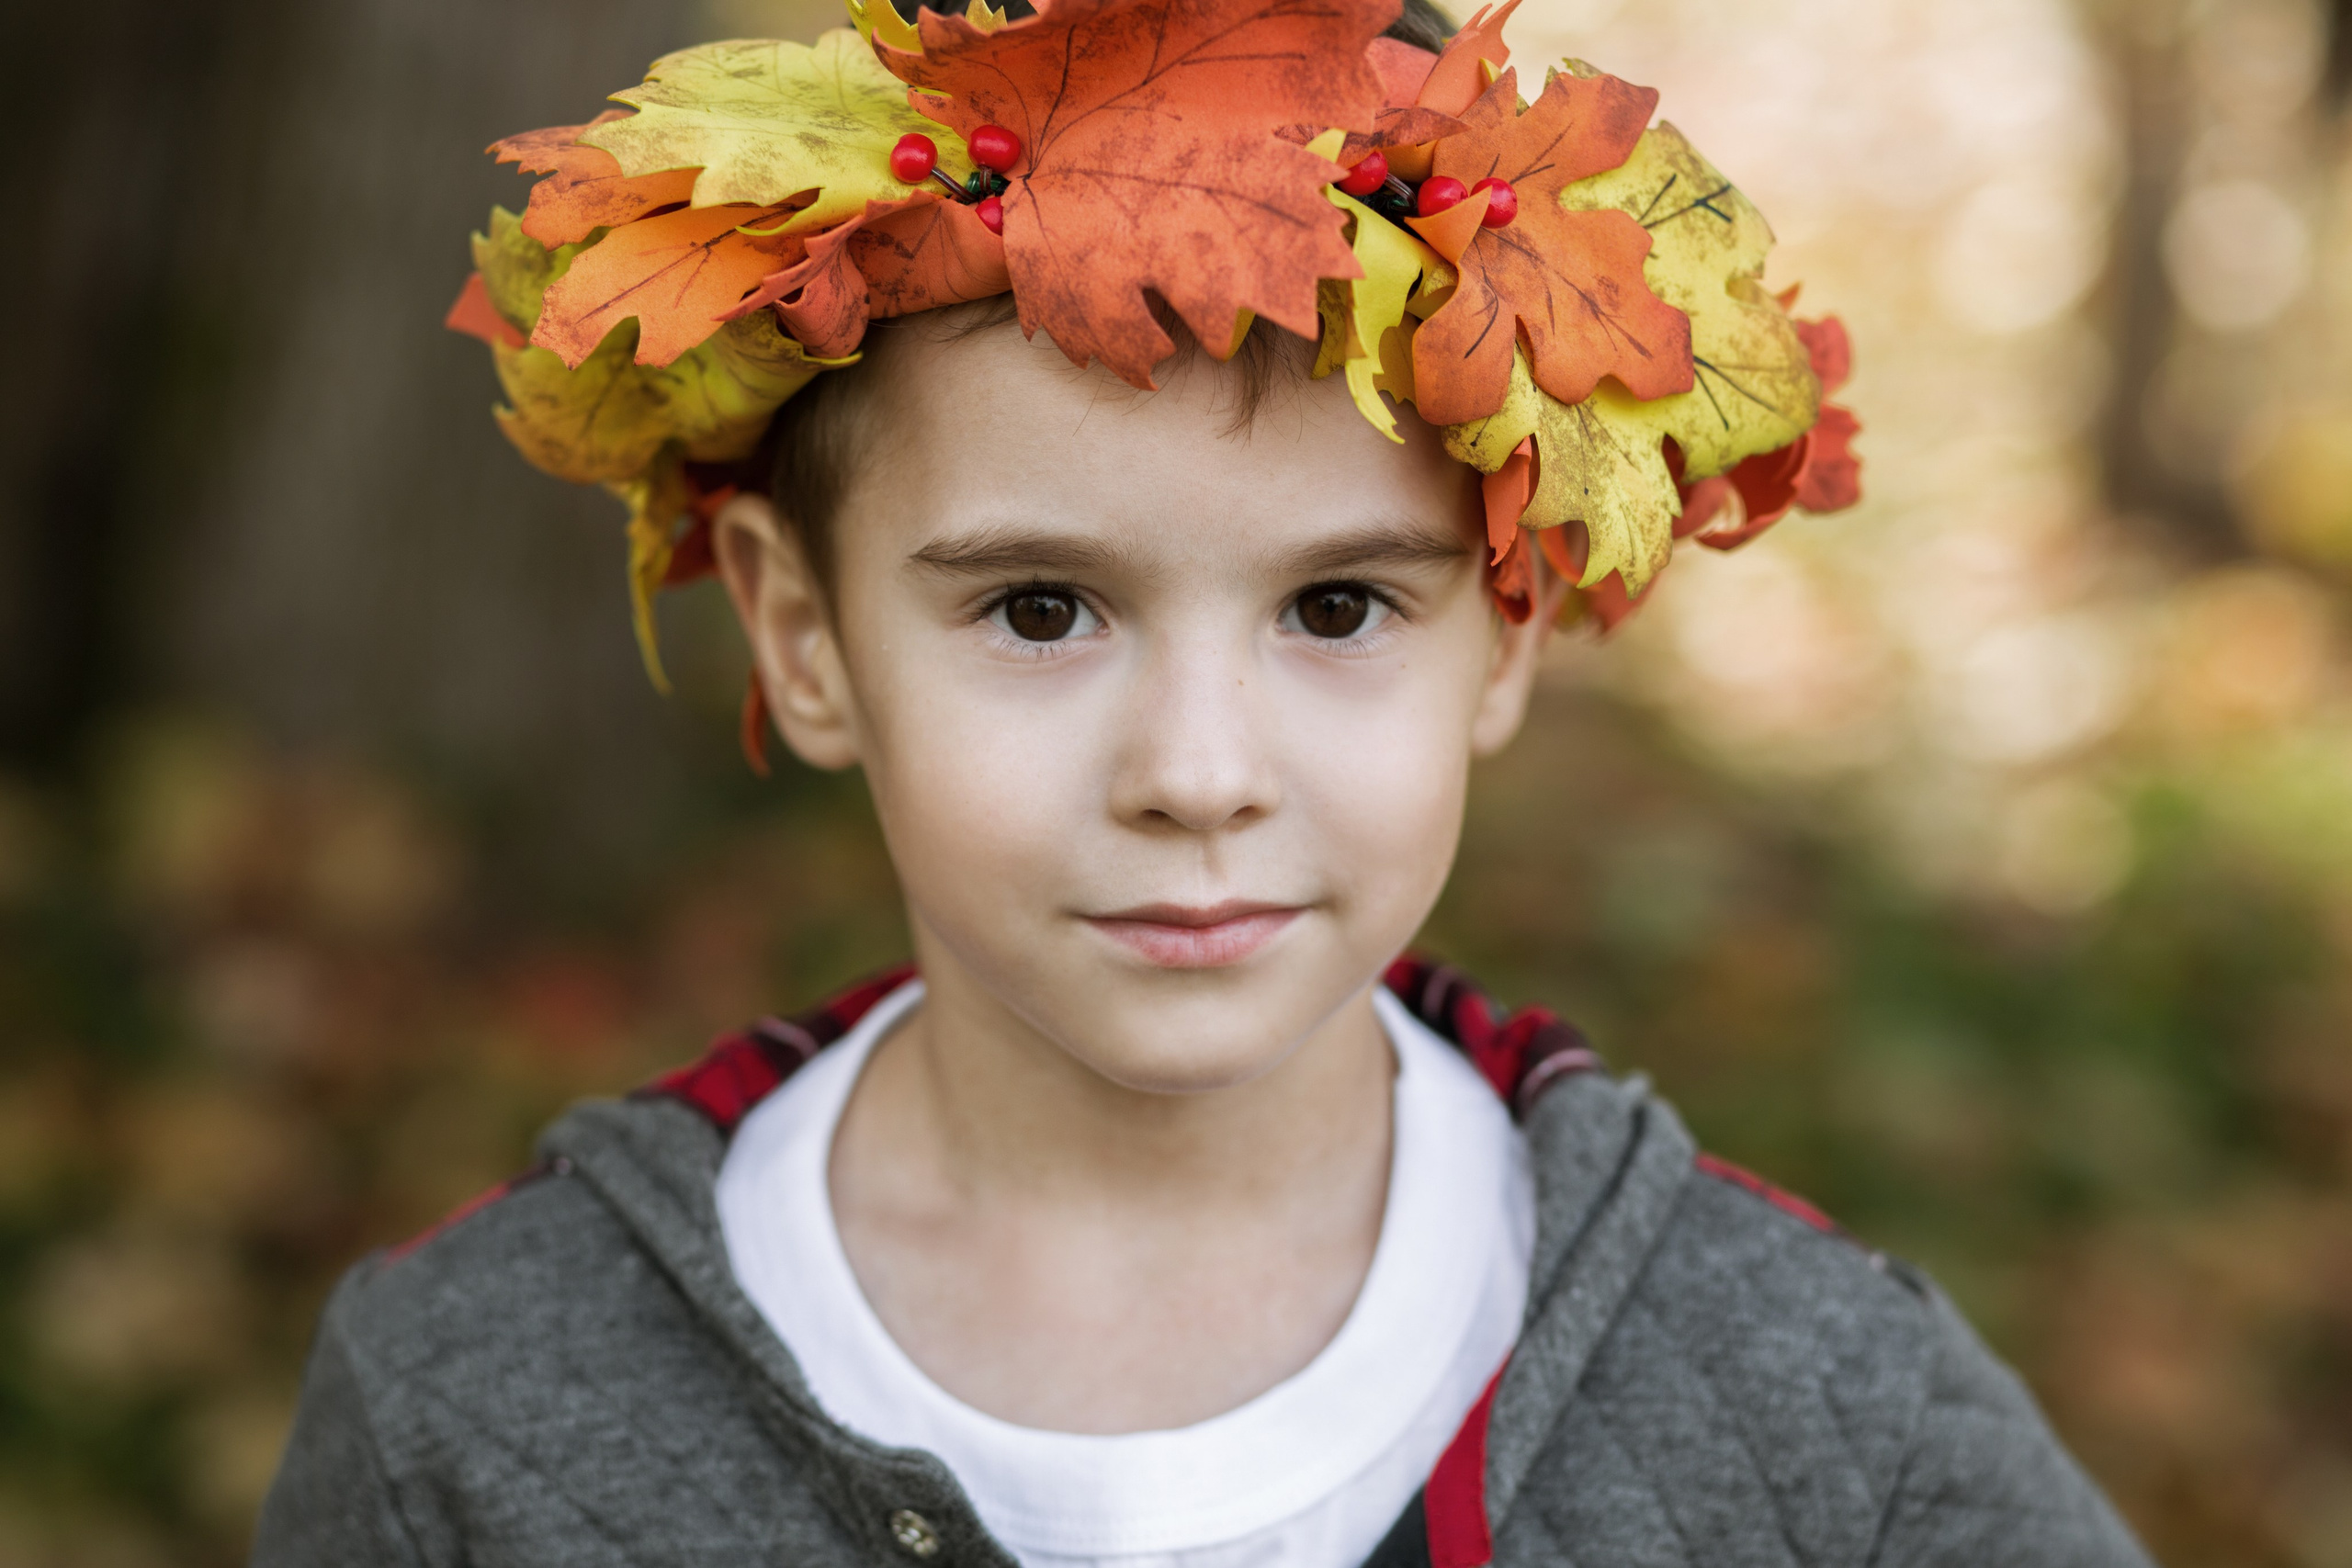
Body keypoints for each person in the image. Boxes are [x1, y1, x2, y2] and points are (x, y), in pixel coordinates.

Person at [254, 0, 2149, 1562]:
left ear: (1505, 631)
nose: (1196, 773)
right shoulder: (472, 1412)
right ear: (804, 637)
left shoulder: (1815, 1410)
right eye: (1039, 609)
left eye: (1336, 606)